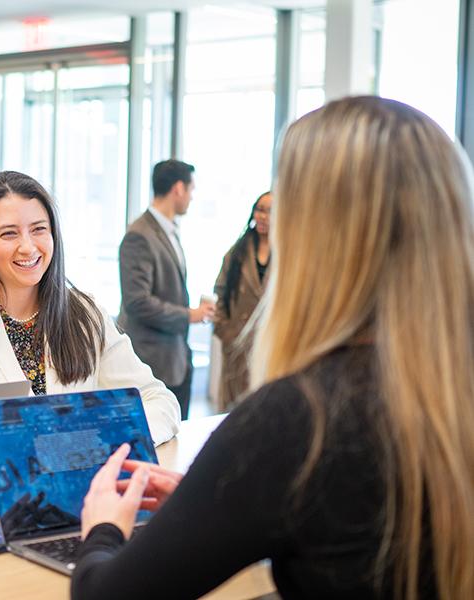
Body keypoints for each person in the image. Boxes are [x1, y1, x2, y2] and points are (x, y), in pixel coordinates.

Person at [72, 97, 474, 599]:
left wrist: (103, 528)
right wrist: (224, 509)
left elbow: (105, 595)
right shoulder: (447, 389)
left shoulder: (298, 420)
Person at [0, 170, 180, 446]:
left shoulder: (85, 313)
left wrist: (107, 439)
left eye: (39, 229)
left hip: (81, 484)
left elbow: (160, 401)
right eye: (9, 234)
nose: (28, 247)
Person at [117, 160, 215, 419]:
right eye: (191, 190)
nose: (192, 197)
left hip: (175, 358)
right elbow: (137, 302)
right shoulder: (139, 235)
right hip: (152, 362)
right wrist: (189, 314)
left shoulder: (167, 231)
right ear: (179, 188)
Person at [212, 191, 272, 409]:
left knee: (265, 409)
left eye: (271, 211)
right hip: (236, 344)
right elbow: (219, 294)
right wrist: (225, 332)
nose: (263, 217)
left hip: (270, 345)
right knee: (233, 410)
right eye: (260, 210)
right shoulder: (236, 253)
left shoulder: (289, 255)